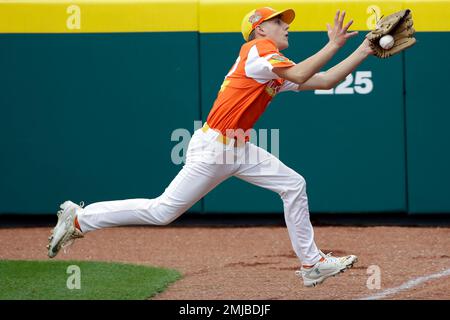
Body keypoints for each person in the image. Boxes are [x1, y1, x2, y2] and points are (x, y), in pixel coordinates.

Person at [47, 7, 374, 287]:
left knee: (293, 185)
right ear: (259, 29)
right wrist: (333, 43)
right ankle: (80, 218)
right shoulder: (257, 50)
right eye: (278, 21)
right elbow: (304, 71)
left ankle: (311, 264)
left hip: (240, 149)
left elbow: (325, 80)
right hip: (214, 148)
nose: (286, 25)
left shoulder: (272, 66)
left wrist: (365, 49)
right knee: (162, 212)